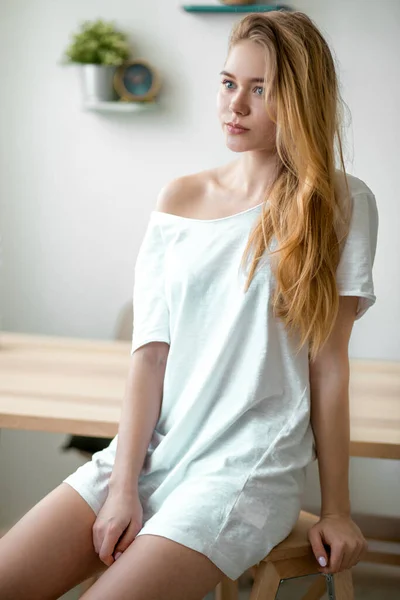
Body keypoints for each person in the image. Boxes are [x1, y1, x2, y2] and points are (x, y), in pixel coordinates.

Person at [0, 10, 378, 600]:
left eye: (262, 90)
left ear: (301, 99)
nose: (237, 105)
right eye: (229, 83)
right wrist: (123, 485)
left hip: (244, 474)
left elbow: (328, 367)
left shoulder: (342, 204)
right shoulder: (179, 198)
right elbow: (149, 355)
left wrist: (338, 508)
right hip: (149, 453)